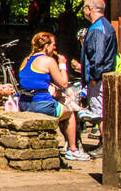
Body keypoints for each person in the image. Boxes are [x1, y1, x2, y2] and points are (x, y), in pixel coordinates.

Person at [17, 31, 86, 160]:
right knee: (70, 112)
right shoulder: (48, 61)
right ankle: (73, 149)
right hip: (40, 105)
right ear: (46, 45)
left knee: (61, 100)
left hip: (24, 102)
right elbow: (64, 83)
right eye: (53, 44)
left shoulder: (26, 60)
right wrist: (62, 64)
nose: (55, 48)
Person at [70, 0, 118, 125]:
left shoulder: (97, 29)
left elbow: (98, 55)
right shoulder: (105, 25)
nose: (83, 11)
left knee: (99, 112)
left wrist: (93, 77)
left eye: (84, 8)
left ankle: (104, 144)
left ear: (89, 9)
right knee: (100, 110)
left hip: (98, 78)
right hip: (102, 75)